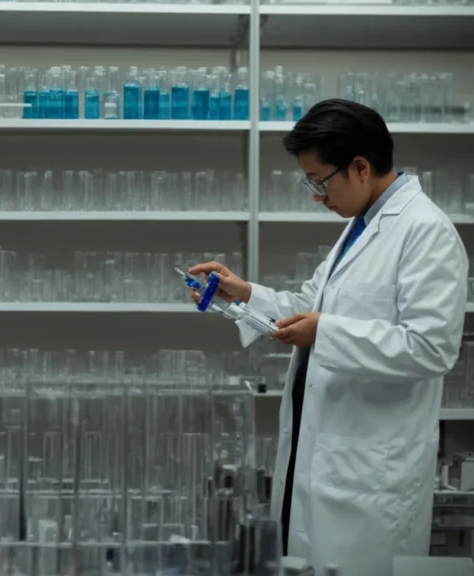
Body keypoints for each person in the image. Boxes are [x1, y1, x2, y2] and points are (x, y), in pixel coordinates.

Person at [188, 99, 467, 576]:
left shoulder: (426, 231)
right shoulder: (358, 228)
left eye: (320, 181)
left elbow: (431, 347)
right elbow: (311, 306)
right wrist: (243, 293)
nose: (317, 195)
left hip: (371, 478)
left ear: (360, 168)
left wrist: (327, 333)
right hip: (321, 462)